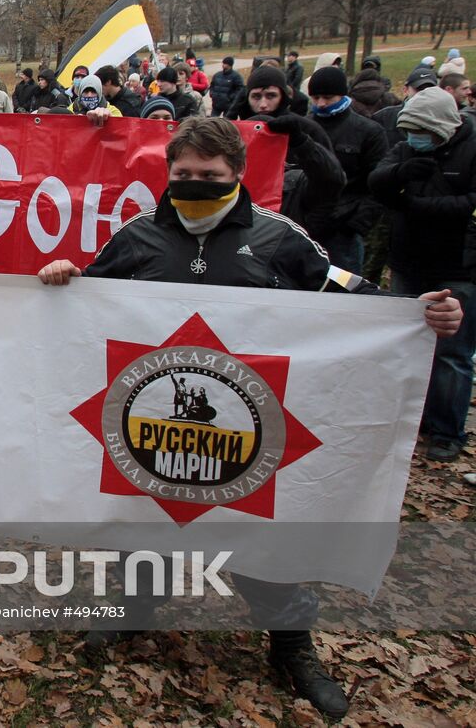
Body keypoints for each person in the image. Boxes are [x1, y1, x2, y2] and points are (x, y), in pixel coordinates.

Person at [37, 116, 462, 719]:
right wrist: (65, 278)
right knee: (149, 512)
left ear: (236, 173)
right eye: (182, 174)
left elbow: (348, 293)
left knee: (259, 528)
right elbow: (91, 302)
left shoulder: (279, 237)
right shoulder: (138, 236)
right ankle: (135, 609)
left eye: (208, 176)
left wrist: (413, 314)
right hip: (155, 415)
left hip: (248, 421)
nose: (193, 184)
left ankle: (290, 644)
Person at [371, 88, 476, 462]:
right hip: (408, 261)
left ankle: (447, 430)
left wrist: (418, 205)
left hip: (457, 265)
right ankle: (409, 421)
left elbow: (470, 203)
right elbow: (377, 180)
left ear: (445, 127)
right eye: (409, 131)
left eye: (422, 132)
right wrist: (400, 173)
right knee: (408, 346)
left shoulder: (472, 147)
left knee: (452, 353)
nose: (415, 138)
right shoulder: (407, 147)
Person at [305, 65, 387, 272]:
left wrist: (357, 224)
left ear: (342, 95)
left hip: (343, 230)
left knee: (343, 289)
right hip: (305, 224)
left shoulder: (368, 131)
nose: (321, 104)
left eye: (327, 97)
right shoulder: (304, 128)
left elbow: (378, 183)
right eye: (315, 98)